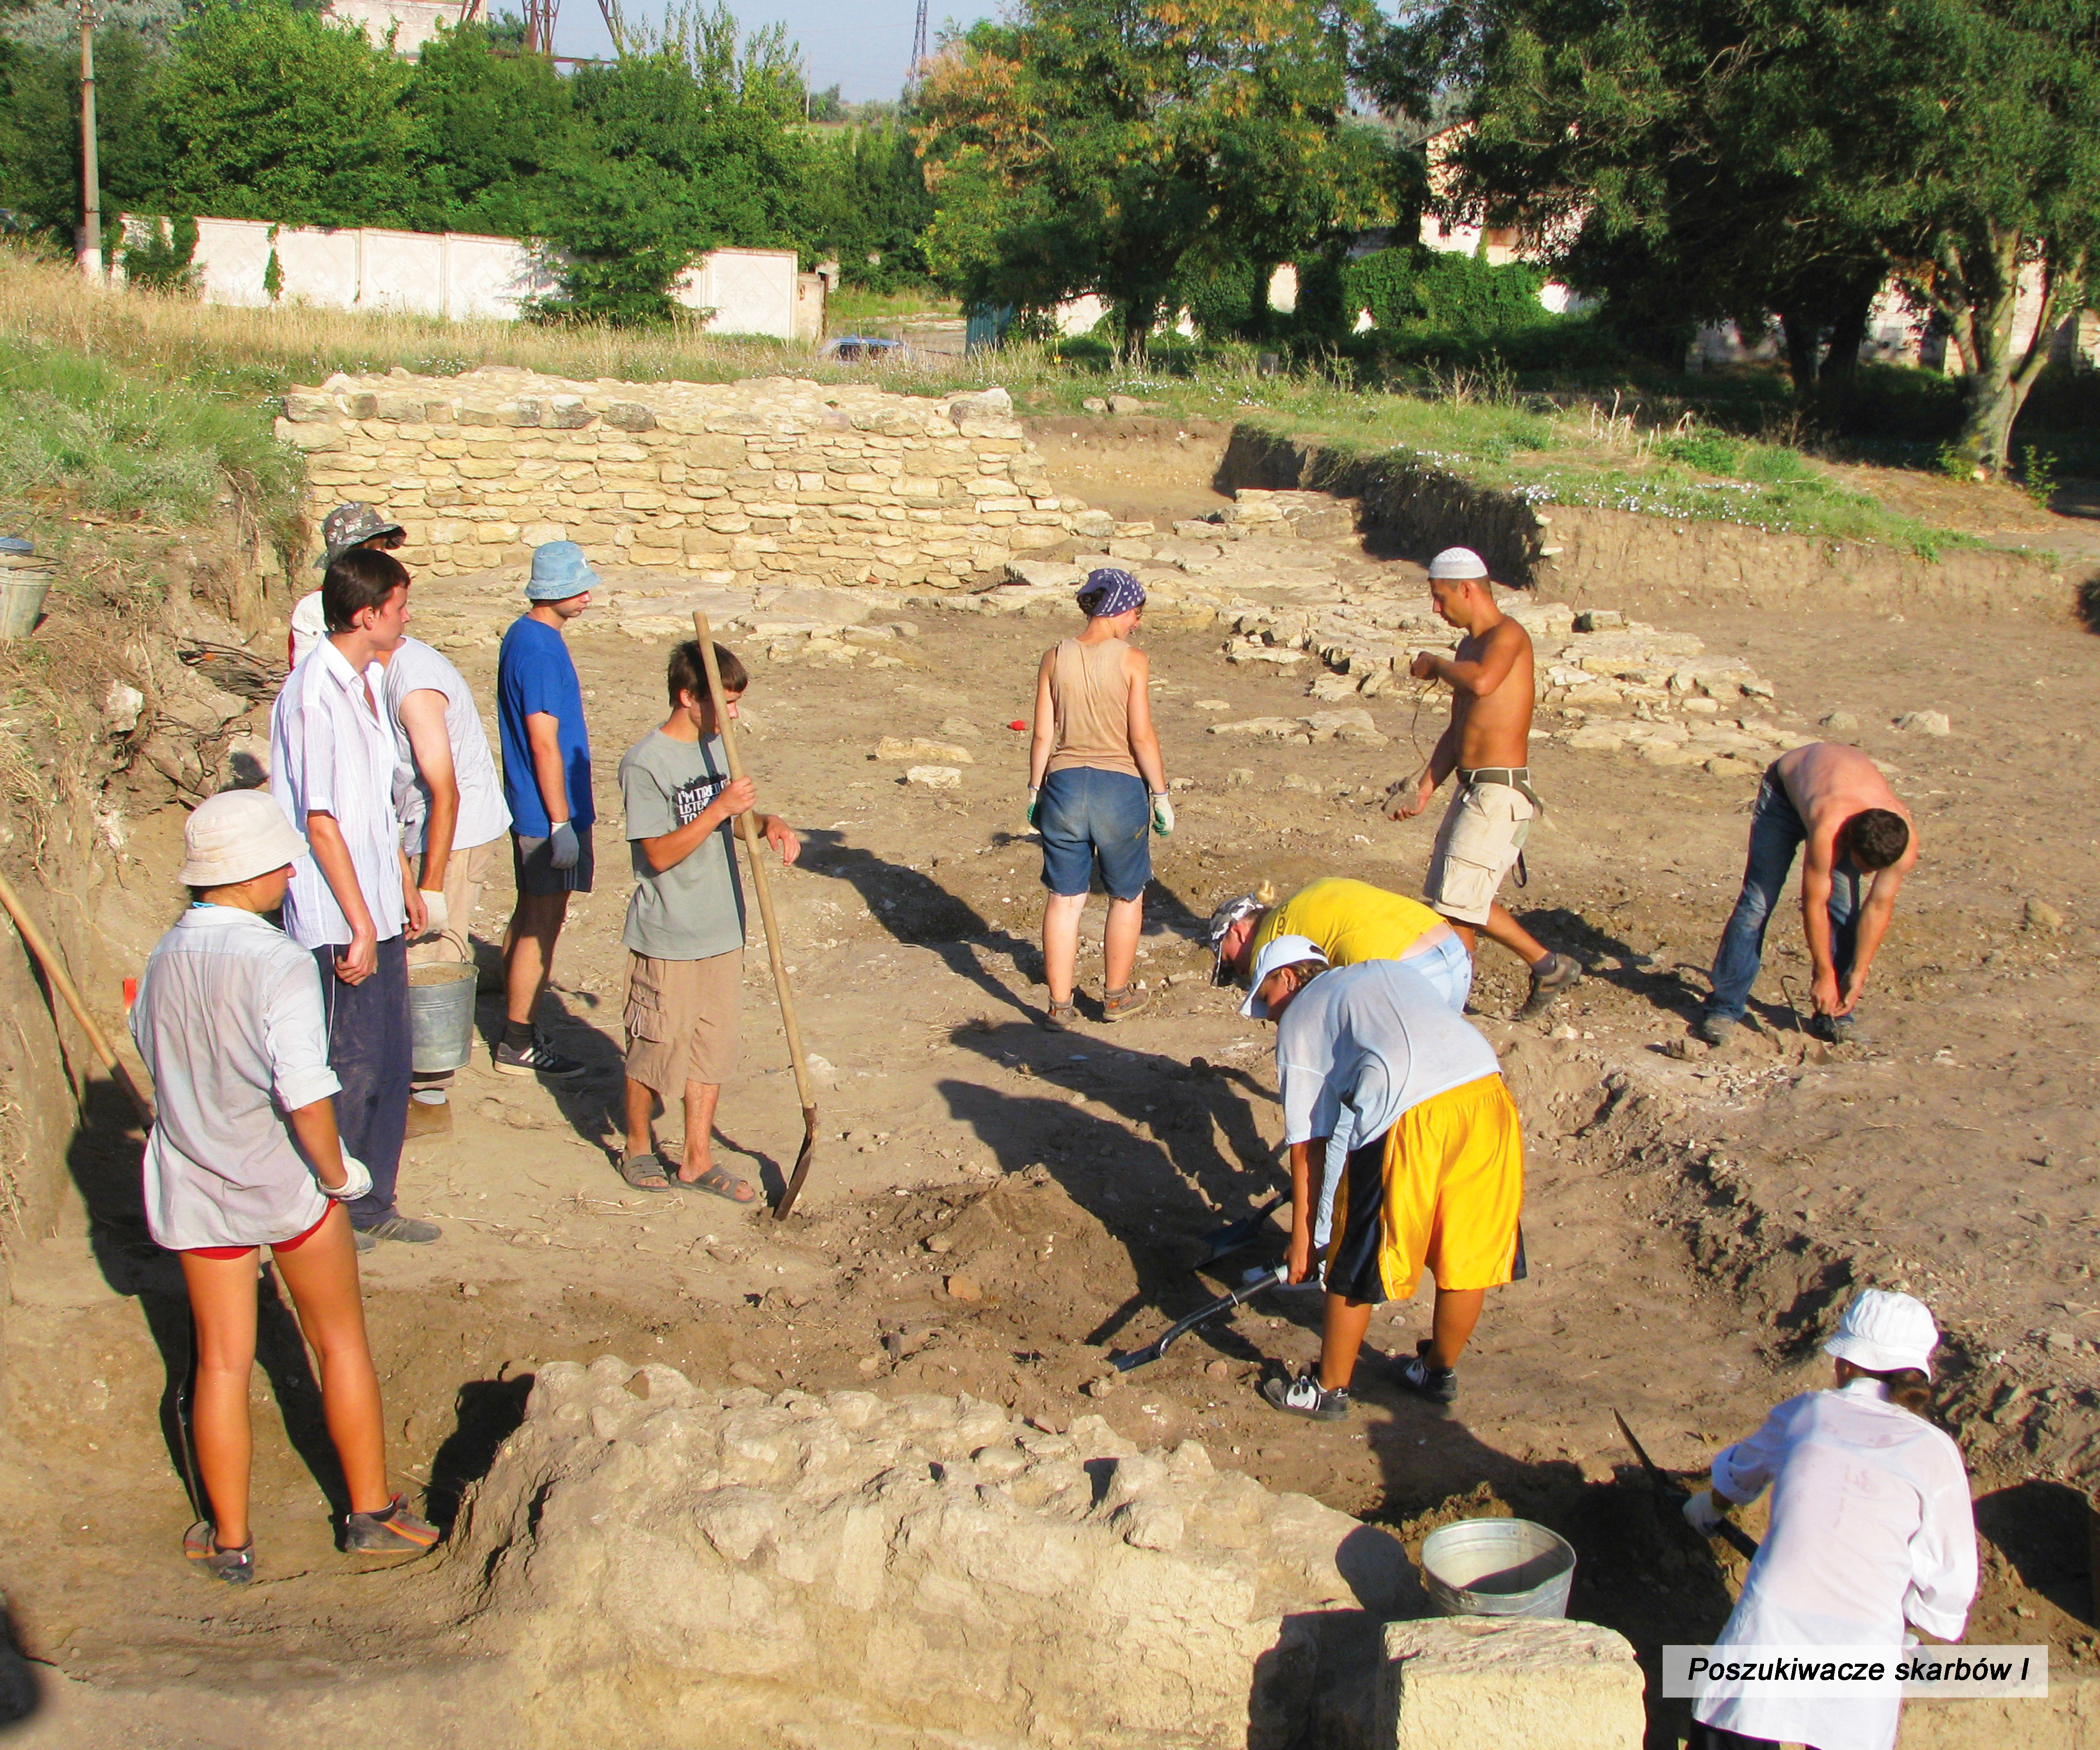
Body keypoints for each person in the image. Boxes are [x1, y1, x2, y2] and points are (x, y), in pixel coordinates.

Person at [132, 790, 439, 1582]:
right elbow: (306, 1091)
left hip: (198, 1183)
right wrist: (341, 1175)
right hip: (282, 1180)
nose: (290, 871)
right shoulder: (276, 963)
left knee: (221, 1363)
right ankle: (369, 1509)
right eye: (281, 861)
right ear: (251, 873)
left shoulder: (163, 957)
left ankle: (229, 1537)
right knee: (338, 1341)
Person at [1242, 935, 1525, 1420]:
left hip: (1408, 1109)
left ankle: (1327, 1390)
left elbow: (1308, 1144)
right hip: (1487, 1092)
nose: (1269, 1016)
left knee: (1358, 1251)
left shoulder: (1299, 1018)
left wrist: (1304, 1242)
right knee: (1466, 1249)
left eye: (1265, 998)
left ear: (1288, 978)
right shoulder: (1380, 968)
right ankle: (1436, 1372)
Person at [1682, 1289, 1977, 1750]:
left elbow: (1738, 1477)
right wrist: (1903, 1627)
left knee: (1739, 1720)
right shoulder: (1935, 1452)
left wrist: (1707, 1508)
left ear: (1843, 1364)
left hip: (1767, 1638)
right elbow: (1947, 1593)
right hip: (1863, 1657)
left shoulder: (1806, 1412)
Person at [268, 548, 438, 1250]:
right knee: (348, 1062)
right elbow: (321, 819)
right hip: (337, 914)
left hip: (375, 902)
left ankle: (375, 1201)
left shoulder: (367, 685)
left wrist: (402, 881)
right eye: (398, 607)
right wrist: (361, 922)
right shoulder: (312, 696)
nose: (405, 619)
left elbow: (376, 807)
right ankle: (329, 1208)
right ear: (366, 614)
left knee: (392, 1058)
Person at [614, 641, 799, 1199]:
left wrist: (766, 823)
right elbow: (657, 853)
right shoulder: (644, 763)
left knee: (710, 1049)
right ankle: (638, 1146)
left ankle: (697, 1159)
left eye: (738, 702)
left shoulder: (719, 745)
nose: (735, 714)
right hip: (669, 930)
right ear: (687, 697)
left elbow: (733, 825)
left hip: (722, 925)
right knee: (656, 1045)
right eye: (727, 702)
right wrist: (720, 808)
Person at [1383, 547, 1582, 1017]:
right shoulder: (1465, 649)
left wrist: (1434, 665)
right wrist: (1427, 787)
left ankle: (1546, 963)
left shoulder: (1507, 636)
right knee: (1445, 900)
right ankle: (1455, 1001)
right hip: (1471, 789)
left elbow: (1484, 683)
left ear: (1467, 589)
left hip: (1500, 791)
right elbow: (1457, 730)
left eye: (1439, 597)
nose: (1436, 608)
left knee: (1459, 899)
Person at [1024, 568, 1172, 1028]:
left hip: (1063, 788)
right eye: (1135, 612)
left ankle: (1058, 1005)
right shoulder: (1133, 660)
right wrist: (1162, 795)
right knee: (1125, 896)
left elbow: (1043, 734)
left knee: (1065, 899)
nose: (1137, 622)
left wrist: (1034, 790)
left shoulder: (1053, 656)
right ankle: (1114, 997)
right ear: (1116, 608)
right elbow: (1142, 736)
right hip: (1119, 789)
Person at [1695, 742, 1917, 1047]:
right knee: (1758, 902)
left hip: (1835, 792)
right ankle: (1723, 1007)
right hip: (1785, 794)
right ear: (1848, 842)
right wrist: (1823, 973)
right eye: (1861, 866)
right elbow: (1814, 903)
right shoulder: (1830, 826)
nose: (1865, 876)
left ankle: (1835, 1014)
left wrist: (1859, 973)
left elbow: (1878, 908)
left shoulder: (1903, 841)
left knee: (1846, 907)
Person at [380, 625, 512, 1132]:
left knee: (431, 958)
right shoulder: (378, 674)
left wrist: (429, 885)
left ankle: (427, 1100)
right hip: (424, 828)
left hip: (451, 834)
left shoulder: (413, 685)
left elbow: (445, 790)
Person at [494, 541, 598, 1078]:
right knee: (543, 920)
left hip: (541, 809)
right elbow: (543, 740)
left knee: (529, 910)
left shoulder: (530, 637)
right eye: (578, 586)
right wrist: (560, 822)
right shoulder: (537, 649)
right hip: (545, 813)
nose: (588, 595)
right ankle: (516, 1039)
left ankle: (509, 1012)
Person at [1207, 875, 1473, 1013]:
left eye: (1230, 962)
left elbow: (1297, 1023)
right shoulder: (1313, 891)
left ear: (1239, 931)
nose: (1241, 976)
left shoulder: (1268, 951)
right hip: (1455, 953)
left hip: (1406, 974)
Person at [289, 505, 406, 671]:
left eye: (383, 547)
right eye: (371, 549)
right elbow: (307, 674)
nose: (381, 555)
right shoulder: (316, 607)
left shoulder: (382, 598)